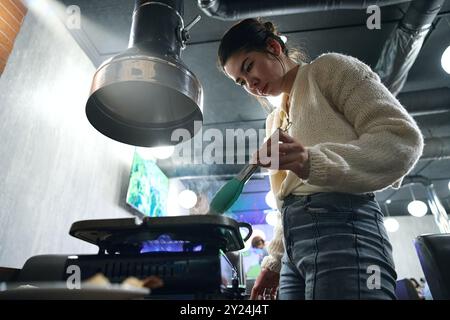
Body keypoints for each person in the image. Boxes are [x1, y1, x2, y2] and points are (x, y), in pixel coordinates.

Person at [217, 18, 424, 300]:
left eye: (248, 66)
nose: (250, 84)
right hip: (292, 250)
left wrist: (311, 161)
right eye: (240, 81)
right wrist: (275, 261)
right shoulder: (273, 122)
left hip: (344, 229)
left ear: (274, 47)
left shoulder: (329, 69)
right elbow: (287, 202)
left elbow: (401, 140)